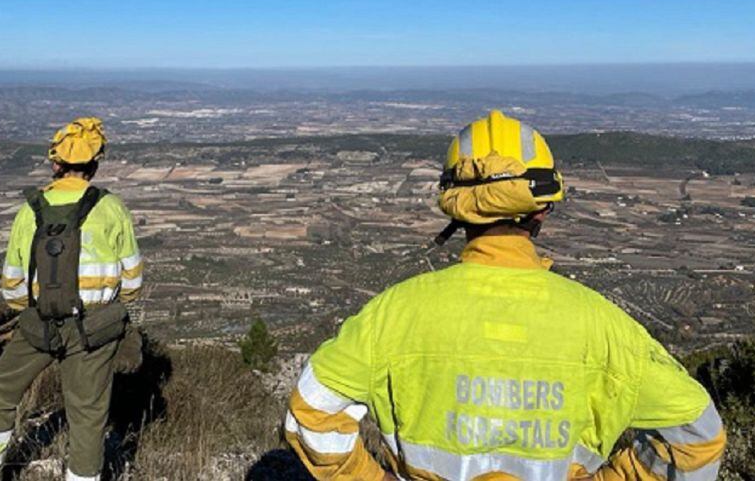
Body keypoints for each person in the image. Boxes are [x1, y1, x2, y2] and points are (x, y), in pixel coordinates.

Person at [285, 110, 725, 481]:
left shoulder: (394, 315)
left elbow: (310, 413)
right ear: (543, 208)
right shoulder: (606, 328)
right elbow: (699, 438)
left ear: (455, 205)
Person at [0, 117, 144, 481]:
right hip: (95, 330)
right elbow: (133, 279)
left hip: (39, 324)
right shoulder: (112, 208)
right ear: (95, 164)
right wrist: (111, 307)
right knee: (87, 414)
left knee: (1, 390)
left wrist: (29, 312)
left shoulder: (30, 210)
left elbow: (13, 284)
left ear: (55, 163)